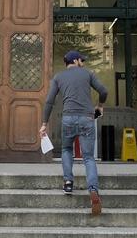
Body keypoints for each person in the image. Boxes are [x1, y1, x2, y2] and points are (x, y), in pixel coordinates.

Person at [40, 50, 109, 216]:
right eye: (81, 60)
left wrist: (44, 124)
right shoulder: (88, 74)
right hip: (86, 118)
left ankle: (68, 182)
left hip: (68, 119)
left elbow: (49, 101)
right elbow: (104, 91)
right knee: (88, 157)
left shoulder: (58, 77)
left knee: (66, 150)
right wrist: (99, 106)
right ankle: (93, 190)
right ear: (76, 61)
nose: (83, 63)